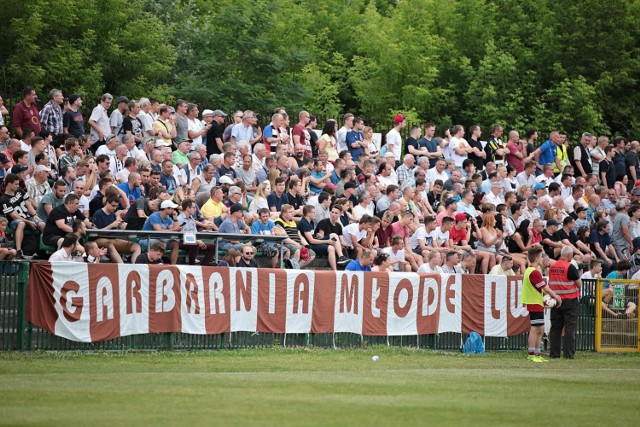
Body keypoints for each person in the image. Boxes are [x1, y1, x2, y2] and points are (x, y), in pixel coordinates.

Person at [520, 247, 562, 362]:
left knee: (541, 328)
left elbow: (541, 289)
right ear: (538, 258)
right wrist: (556, 297)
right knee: (535, 329)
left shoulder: (531, 271)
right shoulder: (534, 272)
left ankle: (537, 353)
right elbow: (545, 288)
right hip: (534, 302)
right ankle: (532, 354)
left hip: (536, 302)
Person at [548, 246, 582, 359]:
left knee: (555, 328)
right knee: (569, 328)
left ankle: (554, 353)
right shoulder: (570, 267)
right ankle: (568, 354)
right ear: (569, 256)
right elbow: (579, 284)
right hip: (569, 301)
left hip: (556, 301)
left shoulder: (552, 266)